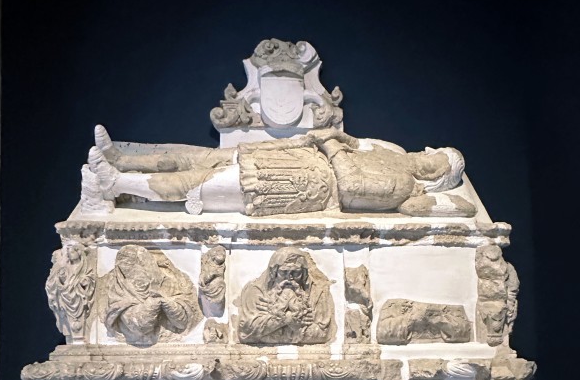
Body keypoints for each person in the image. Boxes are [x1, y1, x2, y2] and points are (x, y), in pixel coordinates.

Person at [87, 125, 475, 216]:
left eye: (435, 163)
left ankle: (116, 184)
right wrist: (335, 136)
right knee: (200, 157)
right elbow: (354, 142)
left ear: (434, 177)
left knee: (200, 183)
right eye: (433, 152)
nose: (426, 157)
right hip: (294, 154)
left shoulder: (403, 185)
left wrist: (330, 146)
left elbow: (353, 185)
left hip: (300, 183)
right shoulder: (392, 150)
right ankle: (122, 158)